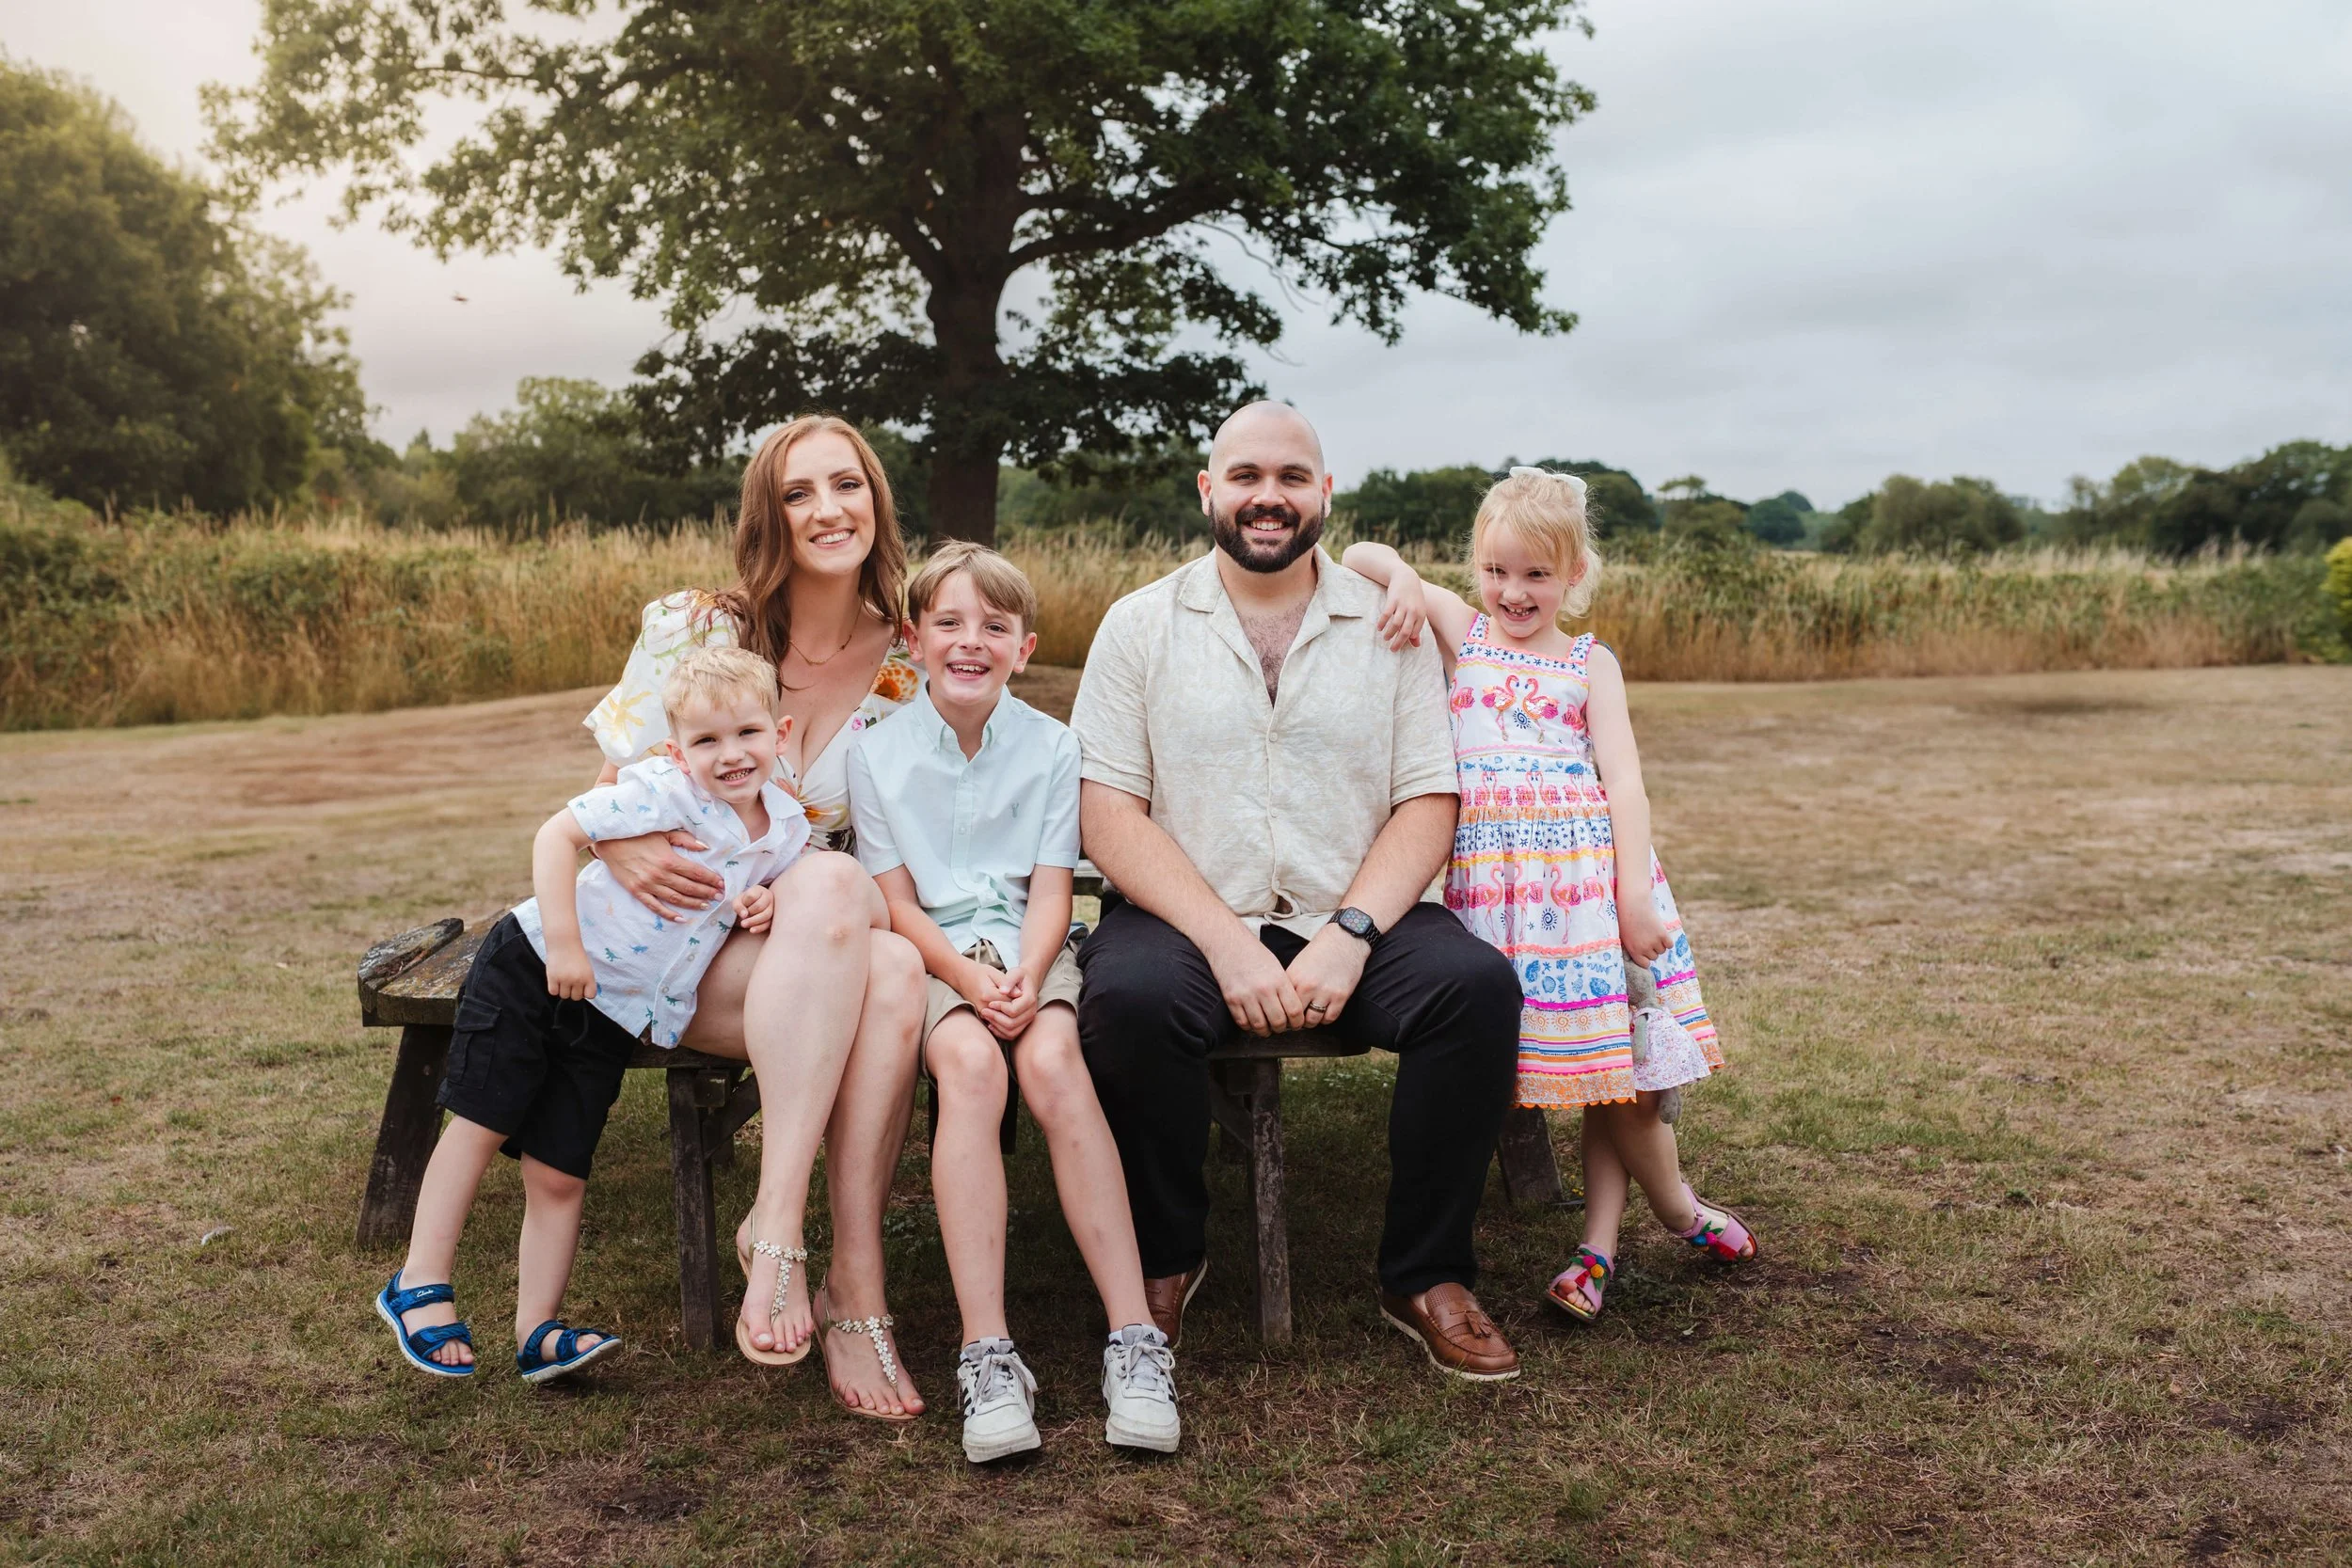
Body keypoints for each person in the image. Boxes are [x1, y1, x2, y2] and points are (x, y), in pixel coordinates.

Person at [1071, 402, 1526, 1383]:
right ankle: (1164, 1255)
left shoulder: (1388, 624)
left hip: (1348, 905)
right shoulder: (1138, 625)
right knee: (1127, 1000)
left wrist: (1352, 932)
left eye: (1289, 476)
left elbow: (1428, 798)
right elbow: (1107, 813)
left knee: (1475, 989)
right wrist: (1226, 943)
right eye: (1243, 475)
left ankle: (1425, 1272)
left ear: (1324, 492)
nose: (1265, 496)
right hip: (1187, 915)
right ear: (1208, 490)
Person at [1342, 467, 1756, 1324]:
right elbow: (1357, 552)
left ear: (1573, 574)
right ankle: (1682, 1211)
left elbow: (1627, 783)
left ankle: (1605, 1245)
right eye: (1496, 570)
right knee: (1578, 1071)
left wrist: (1633, 896)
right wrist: (1414, 586)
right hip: (1499, 897)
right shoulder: (1467, 632)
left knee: (1621, 1075)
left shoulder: (1587, 662)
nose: (1512, 591)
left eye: (1535, 573)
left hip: (1588, 890)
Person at [580, 415, 929, 1418]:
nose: (828, 509)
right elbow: (607, 798)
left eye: (847, 484)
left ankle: (827, 1264)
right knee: (876, 957)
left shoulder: (910, 664)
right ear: (767, 515)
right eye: (798, 491)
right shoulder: (695, 629)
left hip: (815, 945)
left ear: (876, 500)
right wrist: (620, 845)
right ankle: (810, 1255)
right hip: (681, 946)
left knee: (857, 920)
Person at [376, 646, 809, 1382]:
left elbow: (758, 897)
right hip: (536, 962)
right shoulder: (663, 792)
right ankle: (418, 1279)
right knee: (483, 1119)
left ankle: (537, 1327)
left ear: (782, 732)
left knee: (561, 1168)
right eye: (707, 741)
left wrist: (767, 901)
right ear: (678, 749)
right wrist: (566, 948)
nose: (730, 754)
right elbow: (556, 836)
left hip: (613, 1012)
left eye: (747, 733)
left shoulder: (786, 828)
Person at [849, 542, 1181, 1461]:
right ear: (913, 641)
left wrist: (1030, 978)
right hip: (930, 956)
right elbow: (895, 901)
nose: (970, 641)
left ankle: (1133, 1337)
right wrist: (962, 979)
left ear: (1023, 645)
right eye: (948, 623)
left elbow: (1050, 892)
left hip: (1029, 951)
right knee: (964, 1064)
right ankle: (987, 1351)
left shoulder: (1052, 745)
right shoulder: (873, 754)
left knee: (1051, 1060)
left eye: (993, 626)